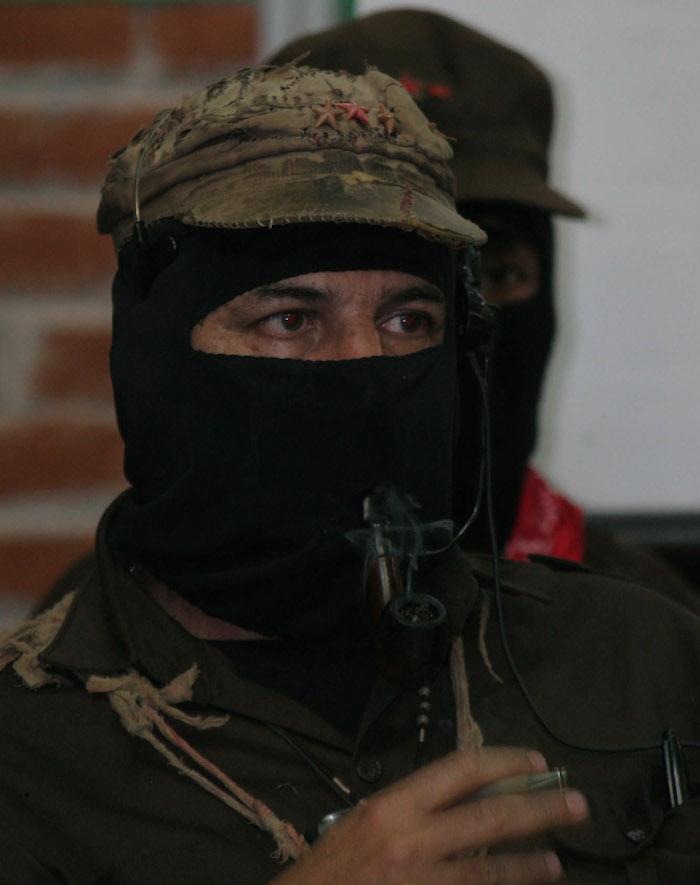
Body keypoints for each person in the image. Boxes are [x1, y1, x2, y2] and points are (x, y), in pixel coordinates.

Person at [1, 63, 699, 884]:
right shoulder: (30, 753)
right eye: (290, 320)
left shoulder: (643, 660)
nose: (366, 369)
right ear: (159, 365)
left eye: (408, 319)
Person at [269, 8, 700, 614]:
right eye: (405, 297)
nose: (462, 328)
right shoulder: (153, 635)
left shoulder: (652, 637)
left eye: (497, 274)